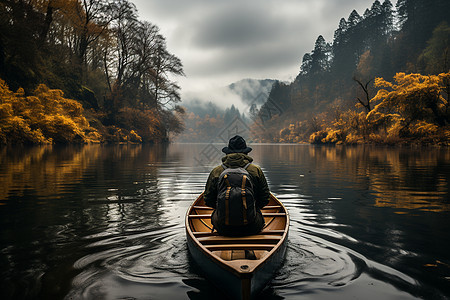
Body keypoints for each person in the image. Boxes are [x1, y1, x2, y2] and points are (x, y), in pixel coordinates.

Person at [204, 135, 270, 236]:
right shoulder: (256, 170)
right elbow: (265, 199)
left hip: (223, 227)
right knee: (259, 215)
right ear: (246, 152)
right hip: (251, 226)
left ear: (227, 153)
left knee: (214, 215)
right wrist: (251, 208)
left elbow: (208, 200)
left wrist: (222, 208)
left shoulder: (216, 171)